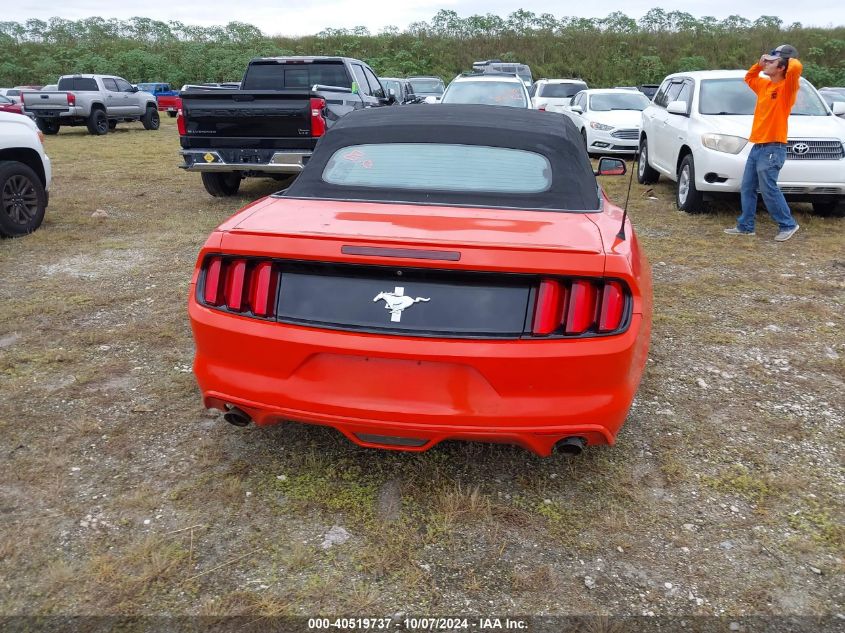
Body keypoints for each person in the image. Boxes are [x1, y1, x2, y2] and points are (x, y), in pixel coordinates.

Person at [725, 45, 803, 241]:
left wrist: (783, 55)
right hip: (758, 146)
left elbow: (796, 67)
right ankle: (746, 226)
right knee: (748, 187)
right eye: (766, 60)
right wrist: (759, 65)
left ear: (782, 68)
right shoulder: (764, 85)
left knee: (769, 188)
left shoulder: (787, 88)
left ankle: (788, 224)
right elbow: (749, 78)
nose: (766, 63)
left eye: (771, 62)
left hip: (773, 147)